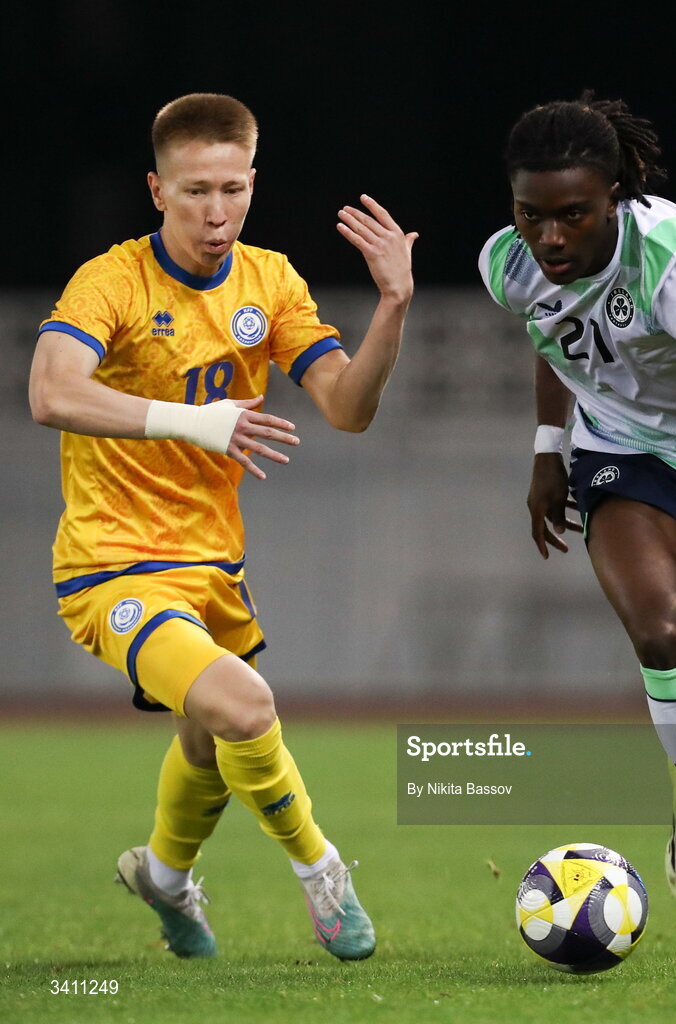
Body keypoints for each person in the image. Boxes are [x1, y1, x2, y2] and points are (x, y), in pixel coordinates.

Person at [29, 93, 417, 962]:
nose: (217, 212)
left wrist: (391, 305)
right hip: (111, 567)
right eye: (196, 190)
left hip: (213, 569)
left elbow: (348, 409)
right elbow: (51, 392)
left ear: (252, 182)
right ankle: (322, 873)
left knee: (205, 745)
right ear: (156, 190)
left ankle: (163, 878)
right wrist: (193, 421)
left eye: (233, 189)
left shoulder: (270, 282)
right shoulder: (112, 281)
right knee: (245, 707)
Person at [479, 92, 676, 961]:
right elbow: (555, 334)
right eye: (530, 215)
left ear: (614, 194)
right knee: (664, 640)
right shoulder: (507, 264)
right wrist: (551, 447)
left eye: (571, 215)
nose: (548, 238)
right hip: (624, 455)